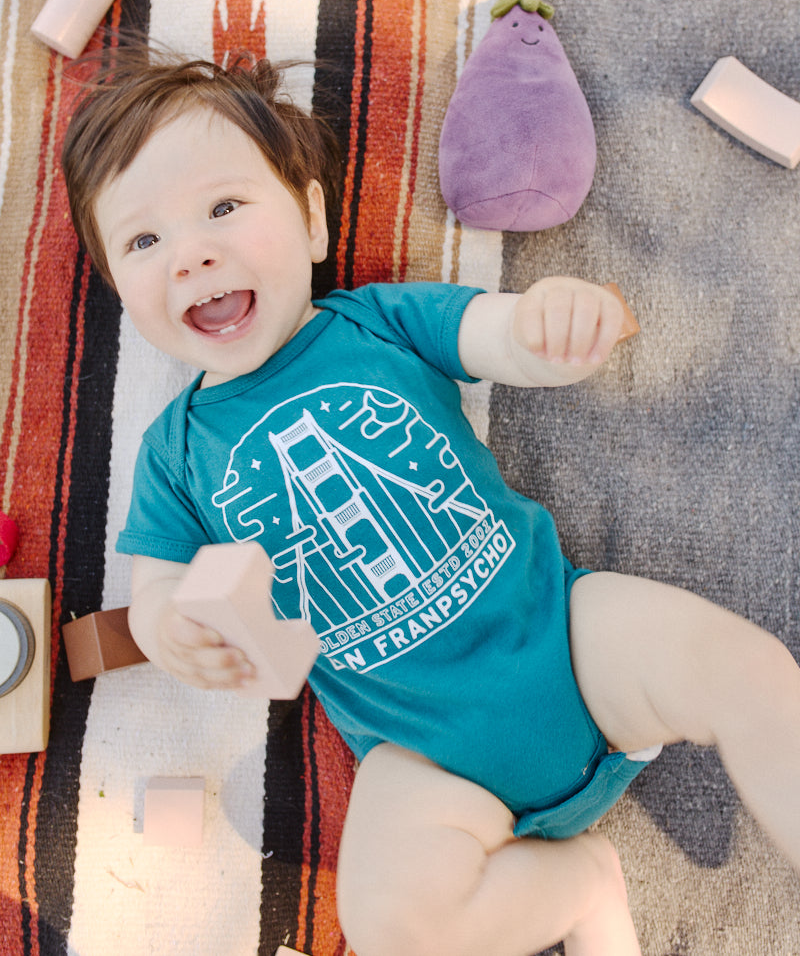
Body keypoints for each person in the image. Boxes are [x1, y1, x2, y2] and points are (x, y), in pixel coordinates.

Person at [62, 49, 800, 956]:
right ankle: (575, 889)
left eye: (223, 207)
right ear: (122, 293)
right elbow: (161, 585)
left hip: (564, 632)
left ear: (312, 217)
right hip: (422, 751)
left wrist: (549, 324)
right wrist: (175, 625)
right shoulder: (173, 451)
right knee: (388, 924)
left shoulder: (377, 321)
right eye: (143, 242)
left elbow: (501, 335)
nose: (193, 254)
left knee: (752, 672)